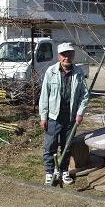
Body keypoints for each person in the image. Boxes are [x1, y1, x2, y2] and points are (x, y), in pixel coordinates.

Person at [39, 42, 89, 186]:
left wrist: (80, 113)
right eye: (64, 54)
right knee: (50, 145)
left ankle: (63, 170)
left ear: (73, 55)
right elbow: (44, 95)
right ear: (58, 56)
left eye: (69, 54)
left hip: (71, 116)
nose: (67, 57)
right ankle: (49, 172)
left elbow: (84, 95)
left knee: (67, 146)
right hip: (54, 116)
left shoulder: (78, 72)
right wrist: (43, 117)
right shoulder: (51, 71)